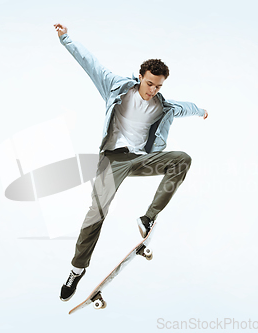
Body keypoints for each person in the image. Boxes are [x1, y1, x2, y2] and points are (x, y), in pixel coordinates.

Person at [54, 23, 208, 302]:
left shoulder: (164, 106)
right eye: (149, 83)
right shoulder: (116, 87)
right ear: (140, 77)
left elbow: (187, 107)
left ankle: (148, 217)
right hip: (113, 160)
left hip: (142, 160)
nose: (152, 90)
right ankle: (77, 269)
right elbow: (91, 64)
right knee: (96, 213)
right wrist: (66, 39)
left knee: (182, 159)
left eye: (158, 86)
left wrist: (203, 111)